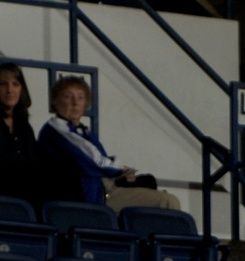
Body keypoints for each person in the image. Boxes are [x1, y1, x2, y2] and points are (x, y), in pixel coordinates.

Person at [37, 74, 180, 210]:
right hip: (88, 194)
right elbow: (93, 161)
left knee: (166, 197)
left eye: (80, 98)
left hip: (102, 187)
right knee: (167, 202)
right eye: (68, 97)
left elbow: (98, 159)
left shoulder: (83, 130)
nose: (75, 103)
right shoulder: (56, 129)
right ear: (55, 101)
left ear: (86, 103)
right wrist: (121, 170)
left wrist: (120, 171)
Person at [0, 63, 41, 209]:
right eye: (3, 84)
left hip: (24, 203)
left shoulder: (24, 126)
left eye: (15, 84)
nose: (10, 90)